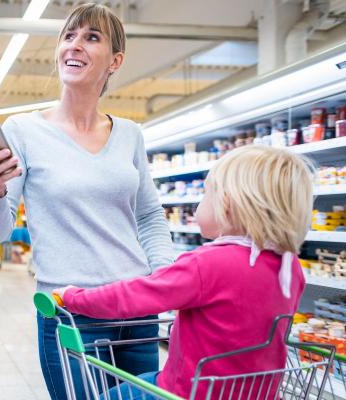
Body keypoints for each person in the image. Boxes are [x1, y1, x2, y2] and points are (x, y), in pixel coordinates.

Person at [0, 3, 174, 398]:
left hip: (138, 310)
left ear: (115, 61)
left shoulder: (130, 134)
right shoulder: (24, 131)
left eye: (91, 37)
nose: (74, 45)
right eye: (69, 36)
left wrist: (165, 281)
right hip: (72, 312)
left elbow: (149, 216)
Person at [53, 145, 314, 400]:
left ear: (225, 204)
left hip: (187, 392)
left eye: (206, 194)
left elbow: (132, 296)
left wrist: (73, 297)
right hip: (257, 394)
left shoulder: (208, 264)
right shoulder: (289, 267)